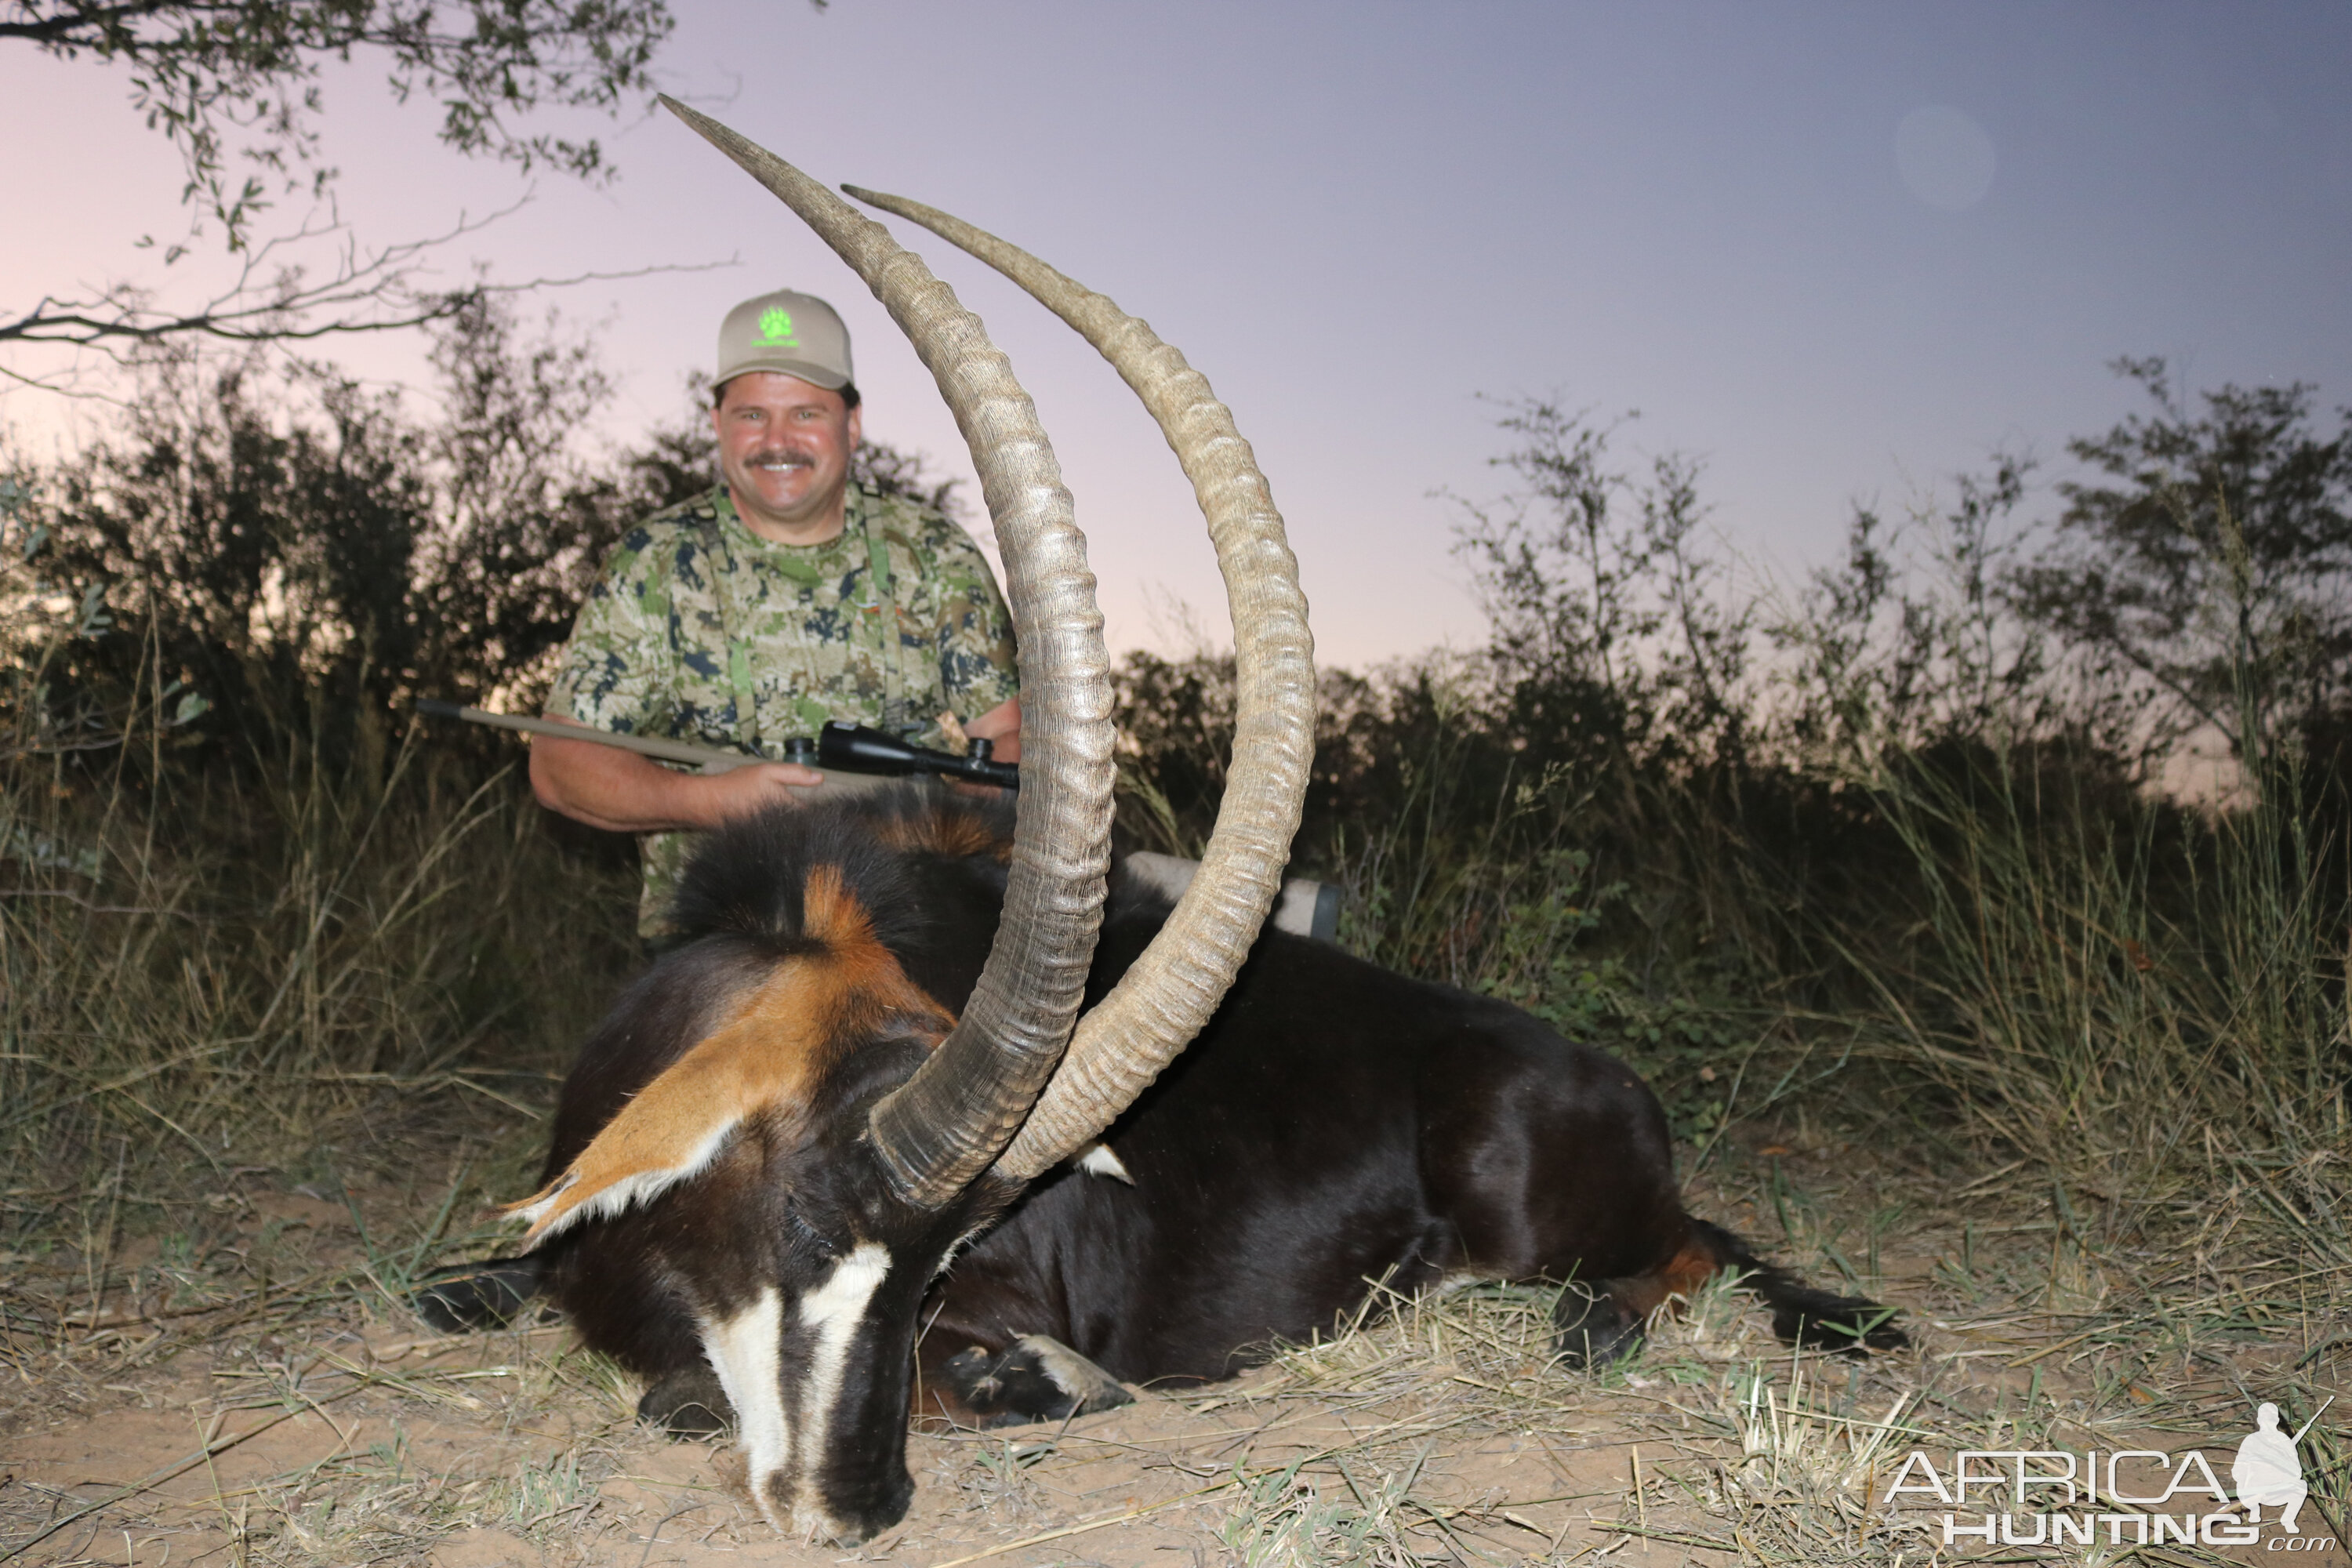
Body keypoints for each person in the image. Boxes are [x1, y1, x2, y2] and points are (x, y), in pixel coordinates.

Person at [532, 289, 1023, 937]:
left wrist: (961, 801)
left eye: (806, 413)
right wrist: (710, 802)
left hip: (910, 919)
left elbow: (1010, 738)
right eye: (753, 414)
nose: (777, 441)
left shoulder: (934, 554)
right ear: (717, 423)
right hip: (719, 932)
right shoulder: (653, 560)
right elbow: (560, 766)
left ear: (851, 423)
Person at [2232, 1403, 2307, 1531]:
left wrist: (2283, 1473)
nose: (2267, 1423)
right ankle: (2254, 1511)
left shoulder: (2284, 1441)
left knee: (2301, 1486)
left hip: (2278, 1490)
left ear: (2277, 1420)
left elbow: (2297, 1469)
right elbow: (2239, 1465)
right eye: (2265, 1419)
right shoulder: (2252, 1440)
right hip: (2254, 1488)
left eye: (2271, 1419)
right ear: (2259, 1421)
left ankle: (2288, 1519)